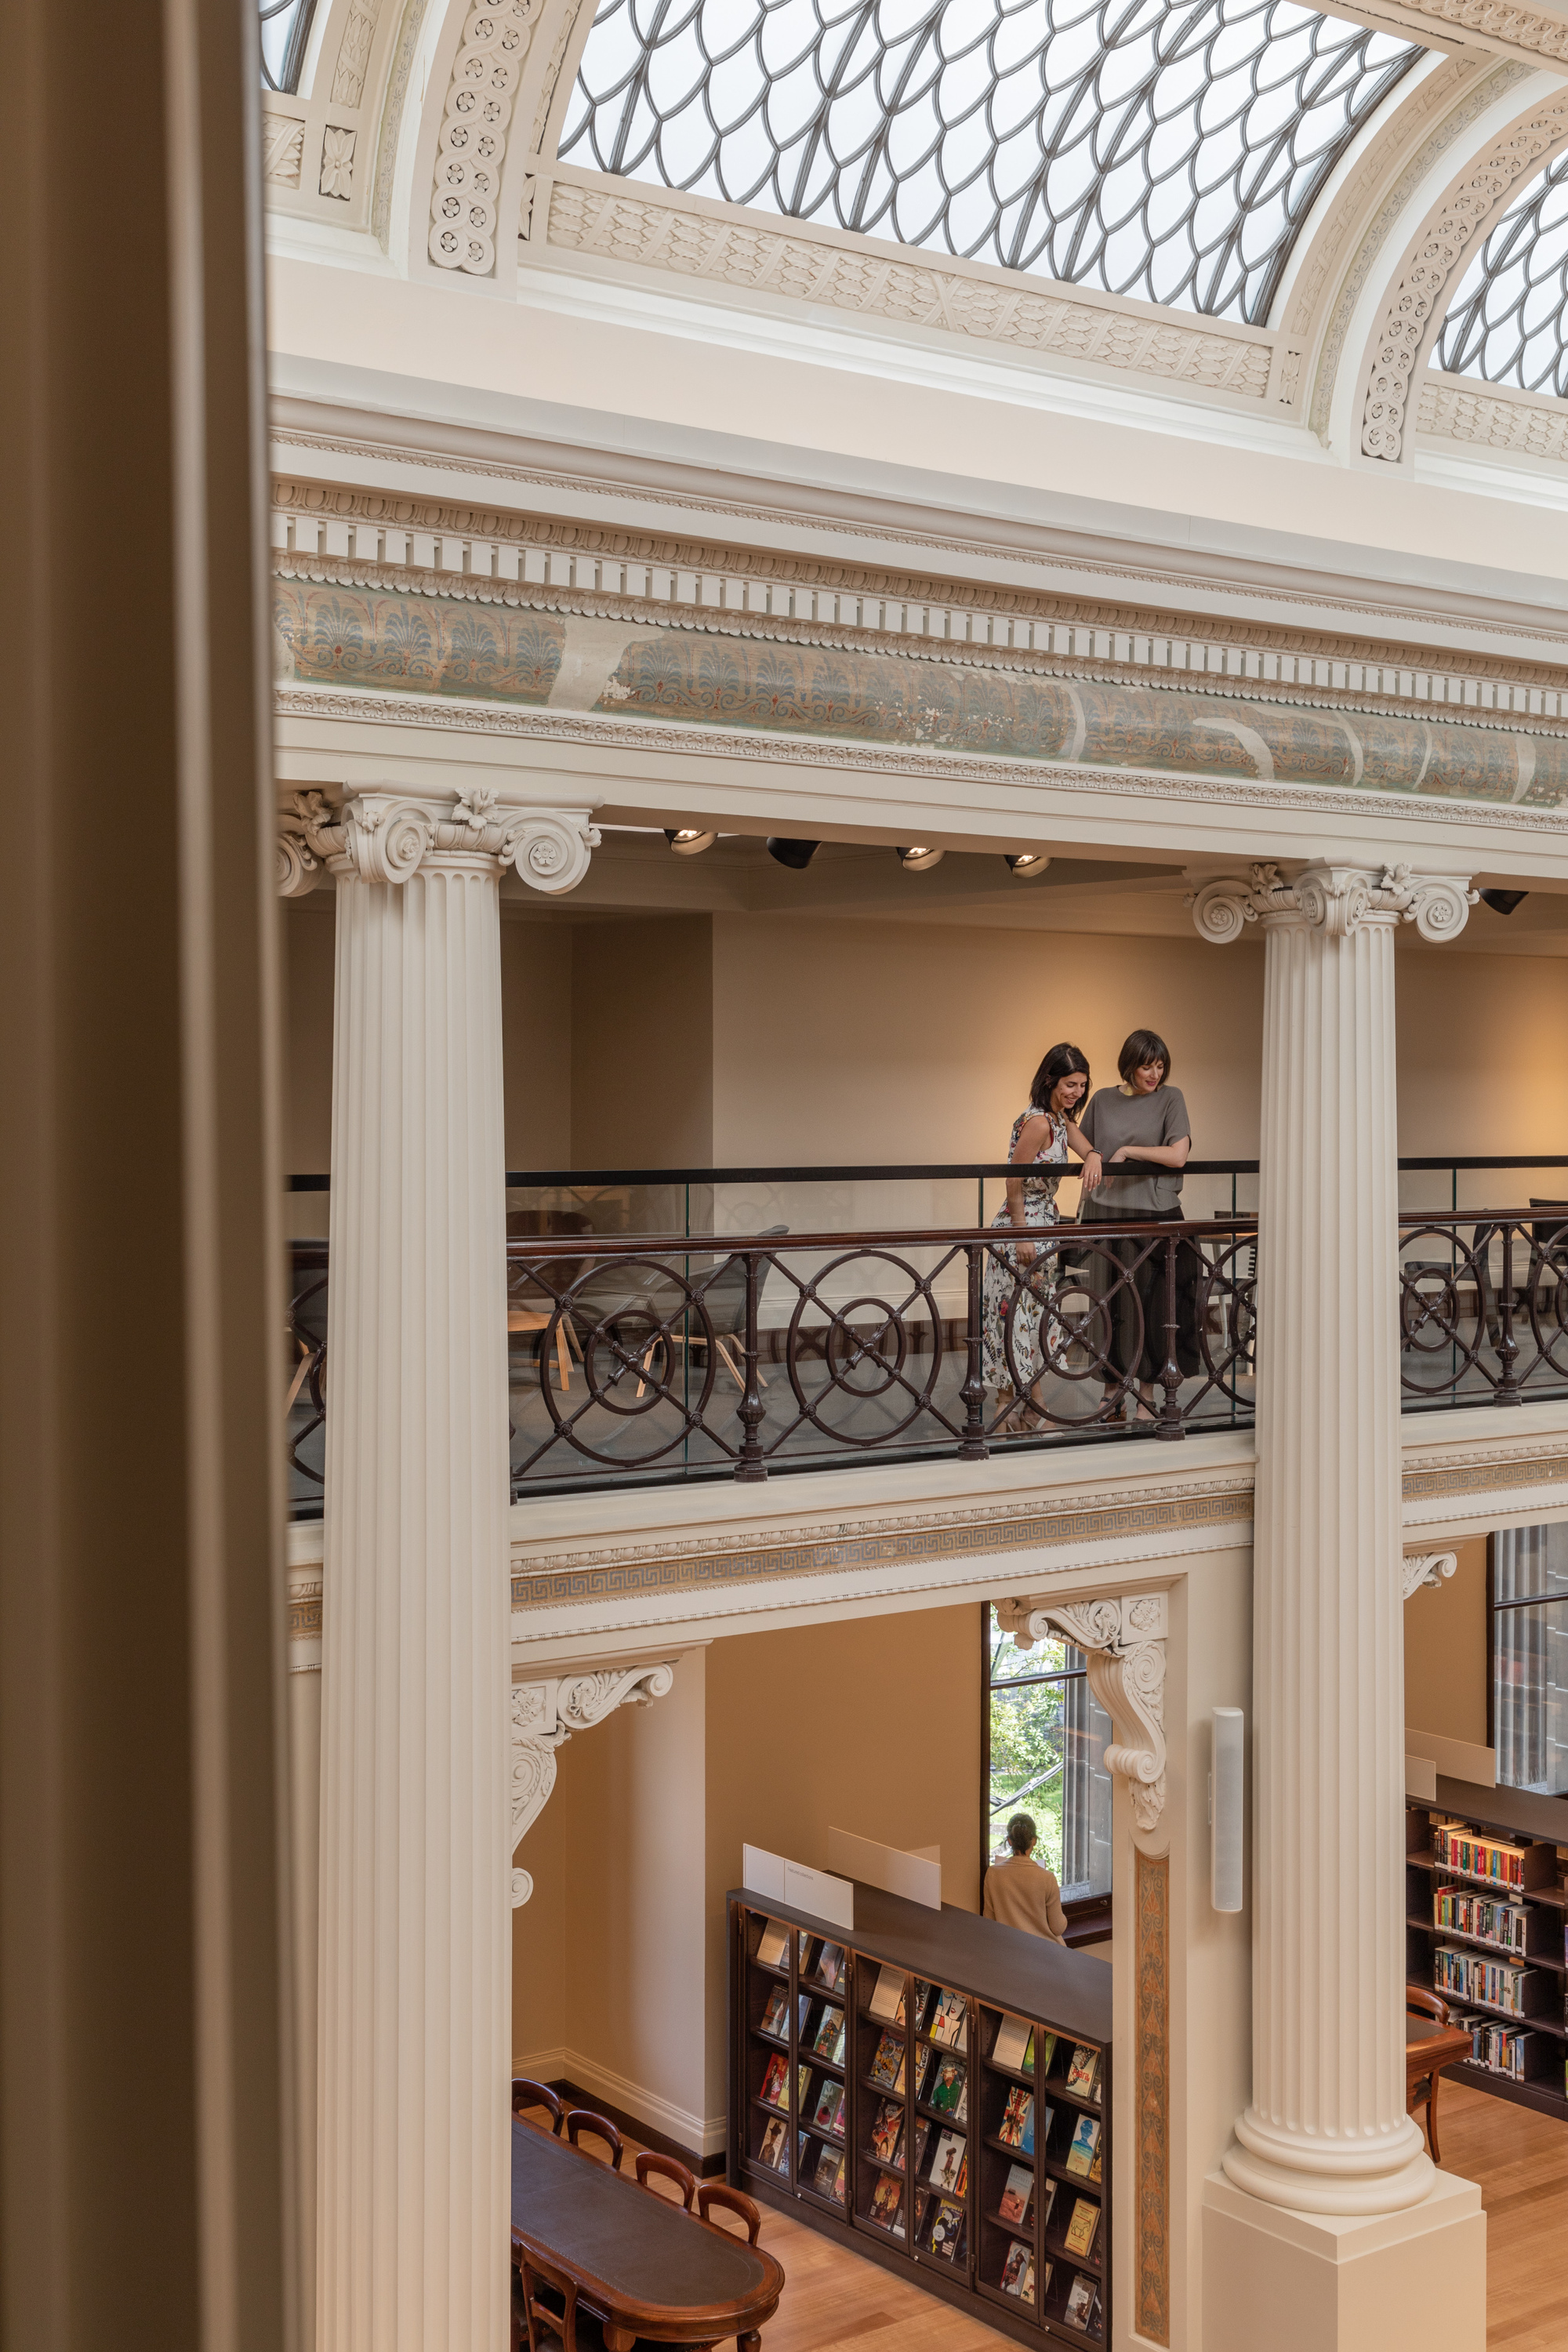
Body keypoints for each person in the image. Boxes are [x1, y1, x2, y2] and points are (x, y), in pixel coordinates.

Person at [1077, 1029, 1200, 1418]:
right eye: (1147, 1065)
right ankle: (1112, 1393)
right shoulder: (1102, 1099)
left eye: (1160, 1065)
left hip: (1155, 1214)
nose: (1154, 1073)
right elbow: (1081, 1140)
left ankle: (1148, 1392)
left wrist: (1128, 1151)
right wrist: (1095, 1153)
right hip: (1106, 1213)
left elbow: (1178, 1155)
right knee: (1109, 1305)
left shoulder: (1171, 1097)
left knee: (1154, 1306)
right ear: (1129, 1065)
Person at [981, 1044, 1102, 1428]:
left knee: (1033, 1317)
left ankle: (1028, 1409)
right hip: (1022, 1227)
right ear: (1050, 1079)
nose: (1076, 1092)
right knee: (1012, 1317)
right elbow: (1012, 1179)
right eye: (1070, 1084)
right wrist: (1021, 1233)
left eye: (1082, 1085)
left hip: (1044, 1227)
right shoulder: (1036, 1122)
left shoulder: (1058, 1119)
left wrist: (1096, 1154)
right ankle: (1011, 1408)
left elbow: (1085, 1147)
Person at [983, 1813, 1068, 1943]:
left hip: (1010, 1951)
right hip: (1047, 1953)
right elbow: (1058, 1928)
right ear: (1034, 1840)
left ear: (1010, 1841)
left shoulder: (993, 1874)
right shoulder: (1047, 1878)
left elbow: (989, 1920)